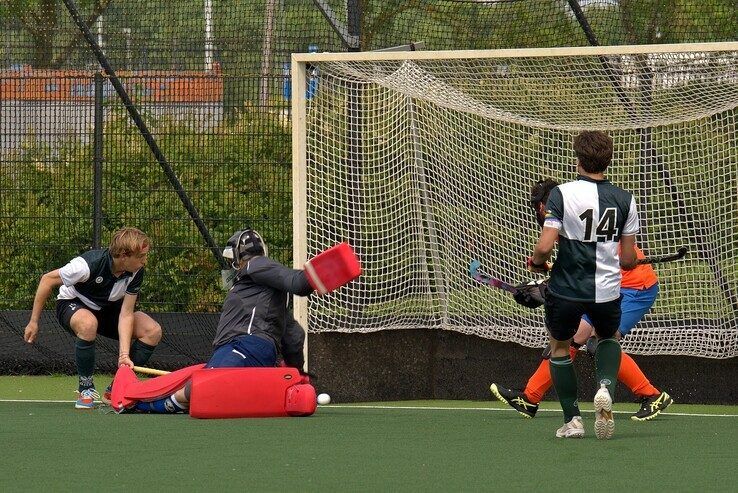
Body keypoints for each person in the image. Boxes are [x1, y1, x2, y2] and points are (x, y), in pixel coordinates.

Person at [490, 178, 672, 424]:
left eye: (538, 206)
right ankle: (530, 398)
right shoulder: (567, 211)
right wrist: (546, 278)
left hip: (634, 287)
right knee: (572, 340)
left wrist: (546, 287)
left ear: (544, 205)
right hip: (601, 286)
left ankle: (652, 396)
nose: (539, 212)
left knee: (600, 343)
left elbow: (587, 262)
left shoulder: (569, 209)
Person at [524, 130, 639, 440]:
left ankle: (573, 420)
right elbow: (628, 259)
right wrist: (626, 261)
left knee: (560, 348)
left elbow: (546, 246)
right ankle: (604, 387)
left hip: (566, 291)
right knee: (608, 338)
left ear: (578, 160)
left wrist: (536, 262)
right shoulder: (625, 200)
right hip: (607, 290)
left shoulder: (561, 194)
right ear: (608, 161)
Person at [134, 229, 313, 414]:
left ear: (239, 256)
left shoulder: (254, 264)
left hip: (242, 346)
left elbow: (298, 282)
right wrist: (295, 371)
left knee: (203, 386)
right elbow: (294, 336)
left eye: (231, 260)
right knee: (215, 394)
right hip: (262, 355)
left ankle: (141, 405)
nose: (230, 265)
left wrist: (327, 268)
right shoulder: (271, 298)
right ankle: (149, 400)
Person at [23, 227, 162, 409]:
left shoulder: (136, 271)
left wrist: (124, 356)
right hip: (73, 304)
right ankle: (85, 389)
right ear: (123, 255)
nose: (145, 261)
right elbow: (47, 280)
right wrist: (34, 321)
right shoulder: (87, 265)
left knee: (152, 331)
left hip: (107, 309)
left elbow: (126, 313)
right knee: (88, 324)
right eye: (141, 257)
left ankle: (116, 389)